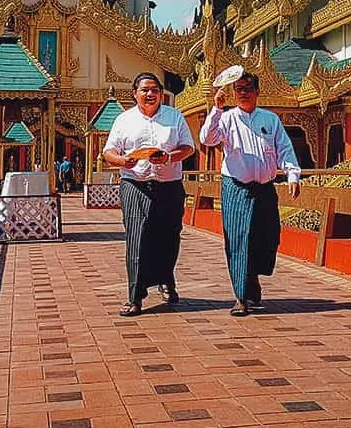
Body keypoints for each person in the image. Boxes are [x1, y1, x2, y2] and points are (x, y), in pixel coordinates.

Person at [199, 71, 301, 317]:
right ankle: (241, 296)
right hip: (236, 186)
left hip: (265, 187)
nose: (242, 92)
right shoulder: (226, 119)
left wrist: (293, 174)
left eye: (247, 88)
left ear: (257, 91)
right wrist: (216, 110)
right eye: (238, 89)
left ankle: (252, 277)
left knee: (267, 238)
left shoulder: (270, 119)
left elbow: (284, 148)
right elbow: (207, 138)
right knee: (238, 240)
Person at [102, 72, 196, 317]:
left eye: (155, 89)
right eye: (145, 90)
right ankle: (135, 296)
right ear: (135, 94)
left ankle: (167, 279)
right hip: (135, 183)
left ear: (161, 93)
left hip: (169, 184)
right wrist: (124, 160)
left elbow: (188, 147)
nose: (150, 94)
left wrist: (168, 157)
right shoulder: (124, 120)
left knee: (169, 237)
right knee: (137, 238)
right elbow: (108, 152)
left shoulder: (174, 117)